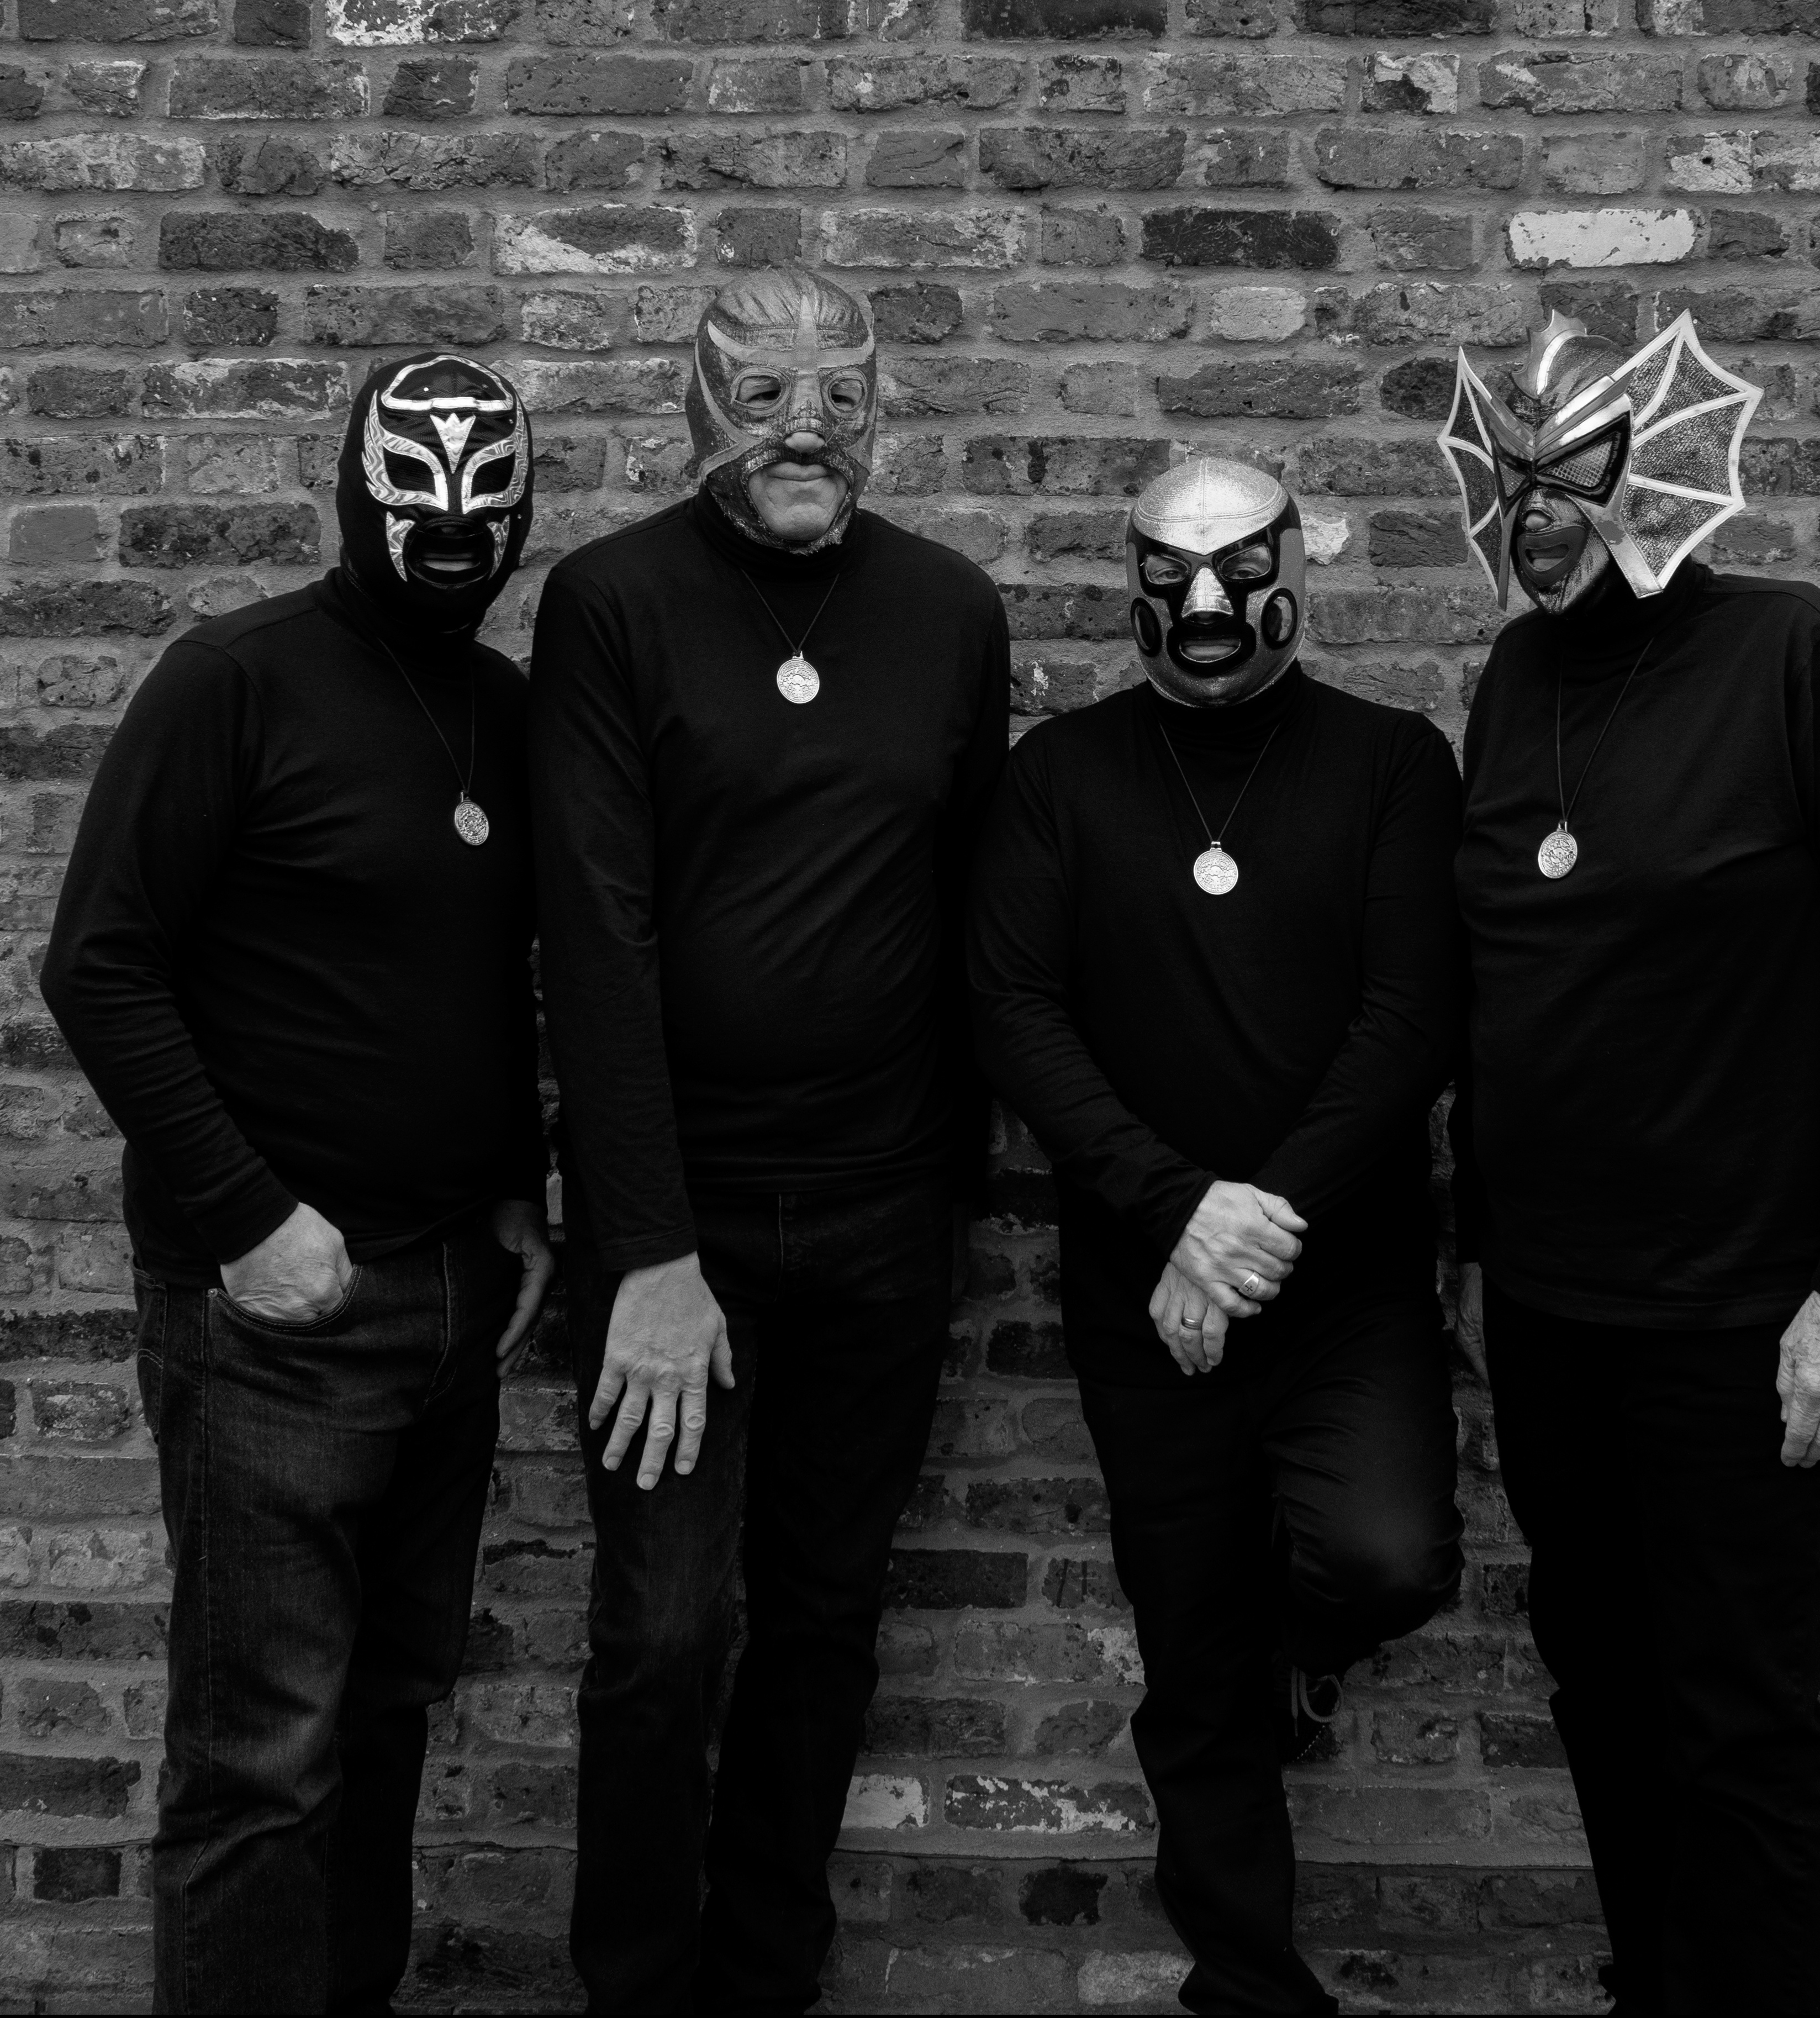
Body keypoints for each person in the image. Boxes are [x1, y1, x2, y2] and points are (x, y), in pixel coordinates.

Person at [1440, 310, 1820, 2015]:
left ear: (1653, 465)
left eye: (1569, 478)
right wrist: (1478, 1253)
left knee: (1740, 1721)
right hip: (1553, 1313)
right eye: (1513, 482)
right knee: (1603, 1689)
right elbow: (1501, 987)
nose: (1539, 516)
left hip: (1745, 1317)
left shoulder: (1793, 653)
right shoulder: (1514, 683)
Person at [40, 352, 555, 2014]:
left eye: (490, 495)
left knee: (389, 1715)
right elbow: (99, 965)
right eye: (422, 489)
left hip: (450, 1298)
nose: (456, 526)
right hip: (275, 1317)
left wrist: (513, 1183)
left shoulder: (504, 711)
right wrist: (252, 1221)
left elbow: (481, 979)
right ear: (358, 489)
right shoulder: (234, 681)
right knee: (262, 1758)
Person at [528, 264, 1010, 2014]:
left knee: (823, 1619)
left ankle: (765, 1978)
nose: (808, 433)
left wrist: (946, 1193)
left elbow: (971, 905)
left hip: (882, 1218)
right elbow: (593, 934)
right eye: (765, 398)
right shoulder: (612, 604)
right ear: (700, 406)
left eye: (841, 399)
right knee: (664, 1632)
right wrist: (649, 1251)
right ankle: (637, 1985)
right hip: (685, 1226)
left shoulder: (949, 611)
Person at [969, 456, 1465, 2017]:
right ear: (1129, 581)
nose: (1204, 607)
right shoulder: (1060, 776)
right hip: (1148, 1294)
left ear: (1294, 576)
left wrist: (1257, 1226)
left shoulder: (1393, 763)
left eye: (1238, 574)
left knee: (1389, 1558)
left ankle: (1292, 1659)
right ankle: (1248, 1989)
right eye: (1171, 575)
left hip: (1347, 1287)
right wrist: (1178, 1210)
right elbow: (1014, 1012)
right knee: (1189, 1660)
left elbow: (1412, 1020)